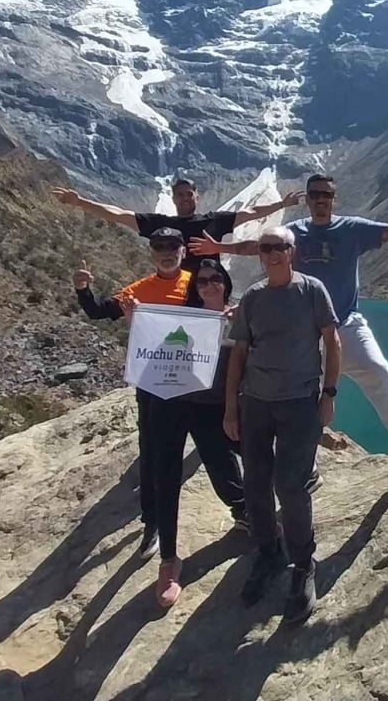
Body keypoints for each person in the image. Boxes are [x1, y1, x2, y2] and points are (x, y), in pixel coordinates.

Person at [194, 173, 388, 489]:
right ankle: (309, 468)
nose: (321, 199)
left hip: (346, 325)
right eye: (315, 193)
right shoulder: (294, 232)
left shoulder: (352, 229)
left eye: (327, 195)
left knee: (381, 375)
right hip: (305, 336)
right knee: (302, 400)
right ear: (307, 197)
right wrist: (219, 246)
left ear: (334, 199)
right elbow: (260, 247)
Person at [75, 228, 242, 564]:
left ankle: (243, 508)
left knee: (217, 449)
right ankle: (153, 523)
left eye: (173, 246)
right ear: (152, 252)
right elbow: (99, 311)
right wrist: (83, 289)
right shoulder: (140, 289)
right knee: (153, 453)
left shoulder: (196, 283)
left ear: (183, 251)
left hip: (198, 385)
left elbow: (216, 315)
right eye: (159, 247)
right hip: (155, 383)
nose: (166, 252)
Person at [224, 226, 341, 623]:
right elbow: (238, 353)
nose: (273, 254)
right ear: (259, 255)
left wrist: (329, 395)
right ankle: (269, 553)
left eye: (280, 247)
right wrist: (230, 407)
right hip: (256, 402)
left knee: (291, 486)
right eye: (266, 248)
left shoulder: (311, 291)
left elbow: (333, 341)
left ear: (293, 252)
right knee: (255, 483)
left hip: (299, 402)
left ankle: (303, 563)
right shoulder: (253, 298)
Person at [144, 257, 247, 608]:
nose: (208, 285)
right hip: (171, 403)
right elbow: (156, 354)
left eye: (214, 278)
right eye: (201, 281)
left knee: (222, 464)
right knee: (167, 476)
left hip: (211, 406)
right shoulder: (183, 318)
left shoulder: (241, 318)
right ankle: (169, 561)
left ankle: (245, 512)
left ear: (225, 283)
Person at [53, 177, 302, 272]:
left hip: (208, 290)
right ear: (174, 199)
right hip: (172, 290)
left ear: (197, 196)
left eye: (189, 194)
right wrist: (81, 202)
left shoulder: (213, 221)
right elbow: (118, 214)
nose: (185, 198)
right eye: (180, 195)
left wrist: (281, 204)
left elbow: (251, 212)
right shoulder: (160, 224)